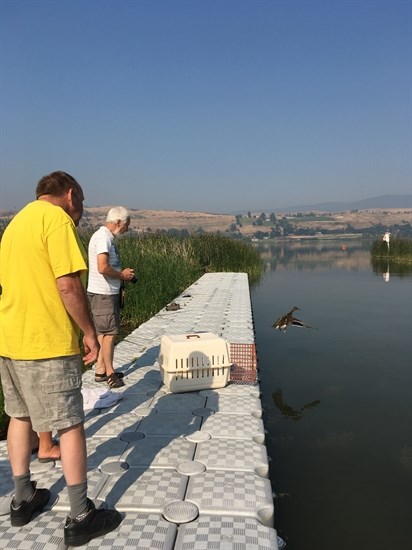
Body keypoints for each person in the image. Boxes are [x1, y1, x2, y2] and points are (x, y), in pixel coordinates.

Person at [0, 171, 121, 546]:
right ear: (70, 195)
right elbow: (67, 285)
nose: (81, 213)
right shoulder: (55, 220)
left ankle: (22, 500)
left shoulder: (15, 224)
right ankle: (81, 515)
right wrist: (89, 334)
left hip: (9, 340)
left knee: (19, 416)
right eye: (81, 205)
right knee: (70, 424)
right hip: (47, 342)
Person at [87, 206, 135, 388]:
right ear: (118, 222)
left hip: (105, 293)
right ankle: (110, 374)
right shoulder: (103, 238)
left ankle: (100, 370)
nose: (127, 229)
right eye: (126, 225)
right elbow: (102, 267)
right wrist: (122, 275)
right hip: (103, 294)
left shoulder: (105, 238)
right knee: (109, 335)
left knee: (104, 334)